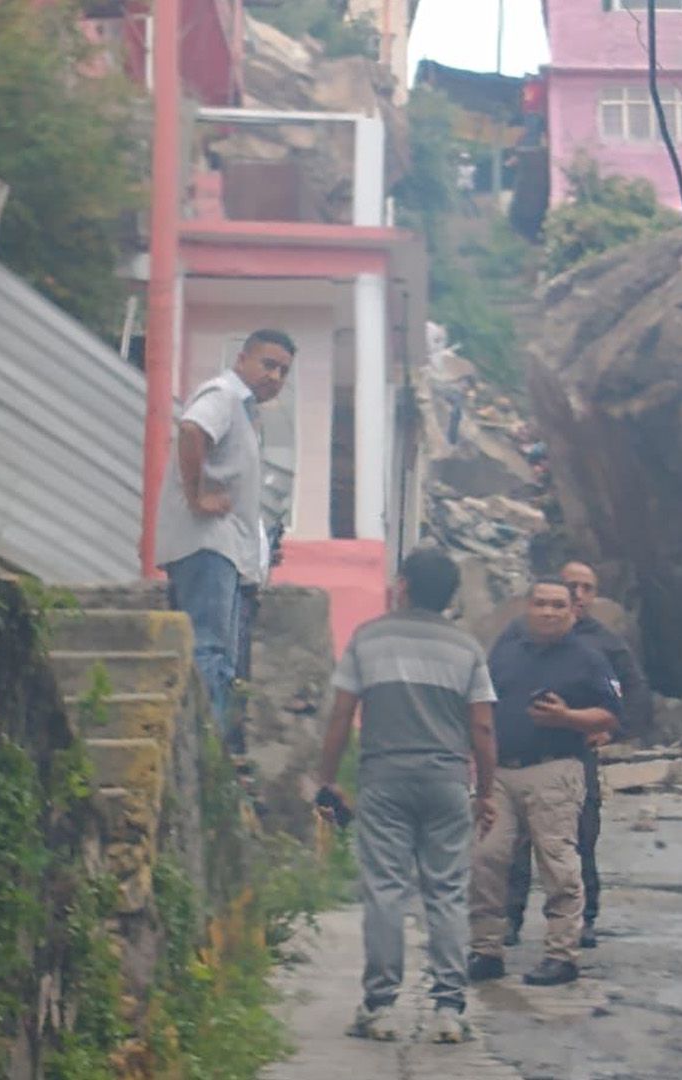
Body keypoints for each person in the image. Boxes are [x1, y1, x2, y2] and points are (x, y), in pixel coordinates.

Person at [315, 547, 499, 1044]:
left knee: (385, 890)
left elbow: (340, 713)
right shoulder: (467, 648)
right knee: (446, 893)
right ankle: (448, 1009)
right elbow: (481, 727)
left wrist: (327, 779)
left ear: (404, 586)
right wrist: (485, 790)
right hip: (445, 782)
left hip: (384, 780)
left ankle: (380, 1007)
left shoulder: (368, 638)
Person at [467, 579, 620, 987]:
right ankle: (485, 950)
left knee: (557, 864)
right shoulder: (505, 651)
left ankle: (561, 954)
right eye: (540, 604)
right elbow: (481, 704)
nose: (549, 613)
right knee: (485, 859)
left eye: (558, 606)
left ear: (572, 611)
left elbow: (610, 715)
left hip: (555, 769)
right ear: (526, 607)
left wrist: (568, 718)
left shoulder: (588, 658)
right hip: (499, 772)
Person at [154, 329, 294, 748]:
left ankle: (207, 746)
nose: (275, 376)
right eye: (267, 364)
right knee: (210, 651)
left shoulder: (246, 413)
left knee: (221, 658)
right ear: (241, 360)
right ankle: (202, 748)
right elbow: (193, 430)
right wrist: (197, 495)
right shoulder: (224, 395)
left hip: (225, 551)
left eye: (283, 371)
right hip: (206, 545)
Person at [503, 560, 649, 950]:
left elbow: (632, 691)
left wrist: (608, 729)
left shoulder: (604, 643)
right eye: (572, 587)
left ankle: (584, 920)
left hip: (571, 756)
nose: (578, 596)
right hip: (517, 757)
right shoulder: (517, 636)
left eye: (587, 589)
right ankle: (508, 918)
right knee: (512, 845)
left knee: (579, 840)